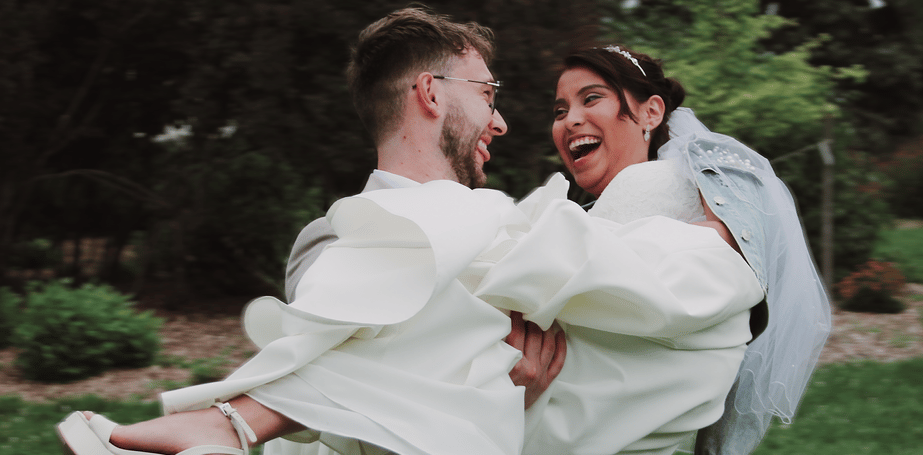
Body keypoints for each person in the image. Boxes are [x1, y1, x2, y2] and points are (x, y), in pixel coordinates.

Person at [523, 44, 832, 454]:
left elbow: (734, 254)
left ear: (651, 112)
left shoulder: (670, 184)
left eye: (591, 98)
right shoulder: (581, 215)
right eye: (560, 111)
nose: (570, 120)